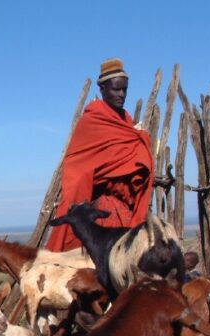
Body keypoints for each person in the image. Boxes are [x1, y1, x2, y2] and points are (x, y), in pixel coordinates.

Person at [47, 58, 154, 252]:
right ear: (103, 88)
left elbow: (130, 161)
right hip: (98, 209)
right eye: (116, 89)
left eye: (125, 89)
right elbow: (79, 168)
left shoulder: (126, 121)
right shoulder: (92, 121)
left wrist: (141, 142)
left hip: (124, 209)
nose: (121, 94)